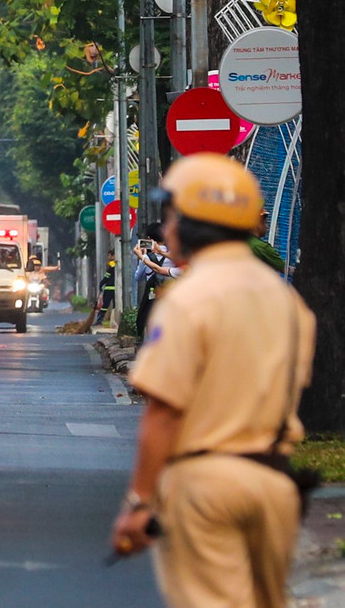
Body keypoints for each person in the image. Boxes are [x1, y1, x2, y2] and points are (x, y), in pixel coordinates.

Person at [110, 154, 315, 608]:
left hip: (206, 487)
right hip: (276, 484)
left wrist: (140, 503)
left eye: (172, 218)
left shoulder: (188, 301)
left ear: (190, 224)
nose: (167, 231)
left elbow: (163, 410)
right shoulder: (286, 302)